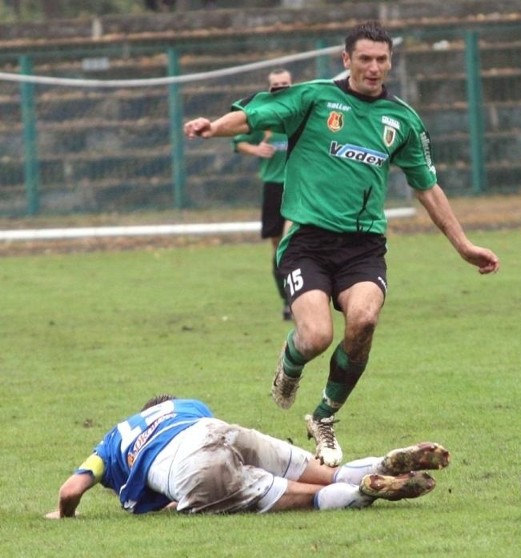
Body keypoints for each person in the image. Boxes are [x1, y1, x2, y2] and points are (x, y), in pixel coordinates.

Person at [184, 20, 500, 467]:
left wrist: (464, 246)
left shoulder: (403, 121)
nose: (374, 68)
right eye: (365, 59)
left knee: (365, 321)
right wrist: (212, 127)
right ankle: (290, 366)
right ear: (346, 60)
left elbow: (427, 187)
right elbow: (255, 114)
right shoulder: (315, 98)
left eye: (382, 59)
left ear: (390, 62)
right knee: (315, 337)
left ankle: (324, 417)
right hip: (307, 241)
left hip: (363, 246)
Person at [44, 395, 451, 517]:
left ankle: (370, 488)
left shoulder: (110, 443)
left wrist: (63, 515)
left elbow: (70, 490)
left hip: (191, 470)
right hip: (215, 431)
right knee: (329, 473)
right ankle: (380, 464)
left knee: (308, 497)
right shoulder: (183, 406)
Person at [233, 69, 293, 320]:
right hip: (272, 187)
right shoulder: (264, 117)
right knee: (278, 248)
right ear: (269, 88)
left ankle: (303, 298)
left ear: (292, 85)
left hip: (298, 187)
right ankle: (286, 302)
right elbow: (238, 142)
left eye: (285, 83)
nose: (280, 87)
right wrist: (257, 149)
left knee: (293, 242)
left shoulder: (300, 114)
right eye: (275, 84)